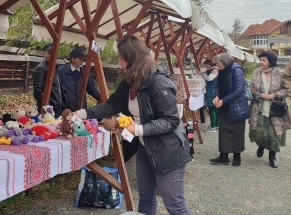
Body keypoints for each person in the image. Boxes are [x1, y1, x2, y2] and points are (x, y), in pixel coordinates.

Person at [73, 35, 192, 215]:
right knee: (145, 197)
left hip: (169, 151)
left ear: (133, 58)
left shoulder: (158, 83)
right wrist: (81, 114)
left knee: (174, 204)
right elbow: (111, 105)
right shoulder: (129, 82)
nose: (119, 62)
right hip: (146, 146)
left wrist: (138, 129)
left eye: (122, 58)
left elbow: (171, 120)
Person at [249, 51, 291, 168]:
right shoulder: (256, 73)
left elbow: (287, 89)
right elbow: (251, 90)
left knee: (274, 133)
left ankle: (272, 157)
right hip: (259, 107)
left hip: (275, 108)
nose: (261, 62)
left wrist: (275, 95)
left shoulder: (280, 73)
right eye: (260, 60)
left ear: (270, 62)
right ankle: (262, 145)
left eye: (264, 60)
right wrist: (260, 95)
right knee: (259, 130)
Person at [210, 53, 249, 167]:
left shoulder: (237, 70)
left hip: (236, 106)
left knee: (237, 132)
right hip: (224, 105)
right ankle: (223, 156)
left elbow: (238, 90)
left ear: (225, 61)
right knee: (223, 131)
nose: (216, 65)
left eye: (218, 63)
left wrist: (223, 100)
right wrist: (217, 96)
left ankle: (237, 157)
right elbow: (218, 86)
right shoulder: (222, 70)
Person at [32, 43, 63, 117]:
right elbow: (38, 92)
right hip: (48, 110)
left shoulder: (55, 68)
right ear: (44, 54)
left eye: (54, 53)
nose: (52, 56)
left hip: (57, 108)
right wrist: (48, 106)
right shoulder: (41, 68)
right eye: (49, 53)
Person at [197, 59, 219, 132]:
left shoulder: (215, 70)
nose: (205, 67)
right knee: (215, 109)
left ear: (209, 64)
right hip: (213, 91)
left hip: (212, 91)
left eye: (206, 65)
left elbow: (209, 78)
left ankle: (213, 126)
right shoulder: (213, 70)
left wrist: (202, 74)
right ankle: (217, 125)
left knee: (212, 108)